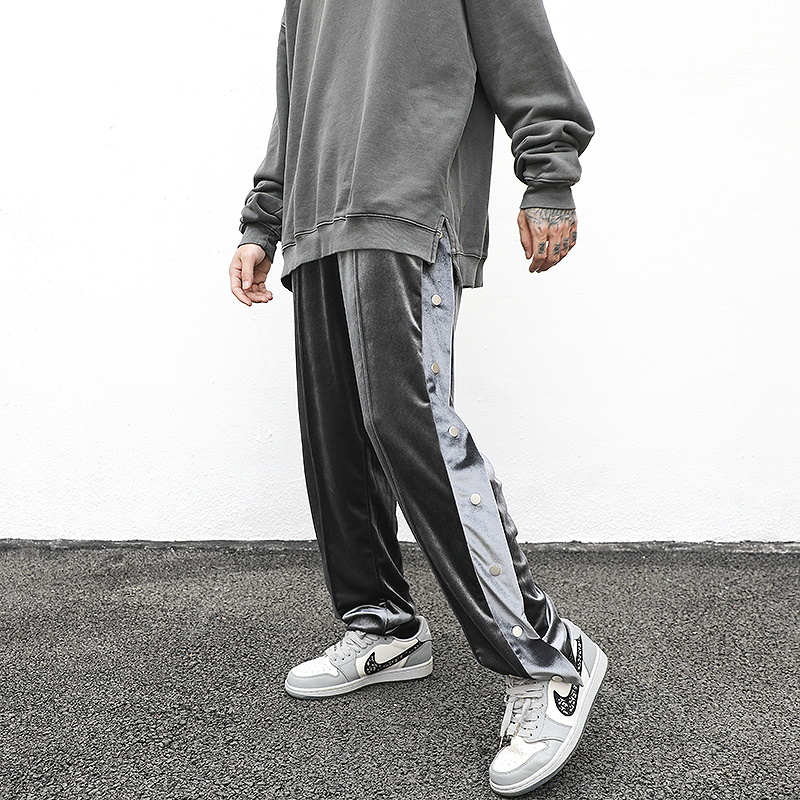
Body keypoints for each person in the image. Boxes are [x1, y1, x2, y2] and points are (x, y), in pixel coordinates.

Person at [228, 0, 607, 794]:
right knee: (337, 435)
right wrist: (264, 218)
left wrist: (549, 177)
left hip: (408, 203)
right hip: (316, 219)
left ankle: (548, 654)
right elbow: (295, 91)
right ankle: (384, 626)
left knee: (411, 425)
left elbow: (521, 46)